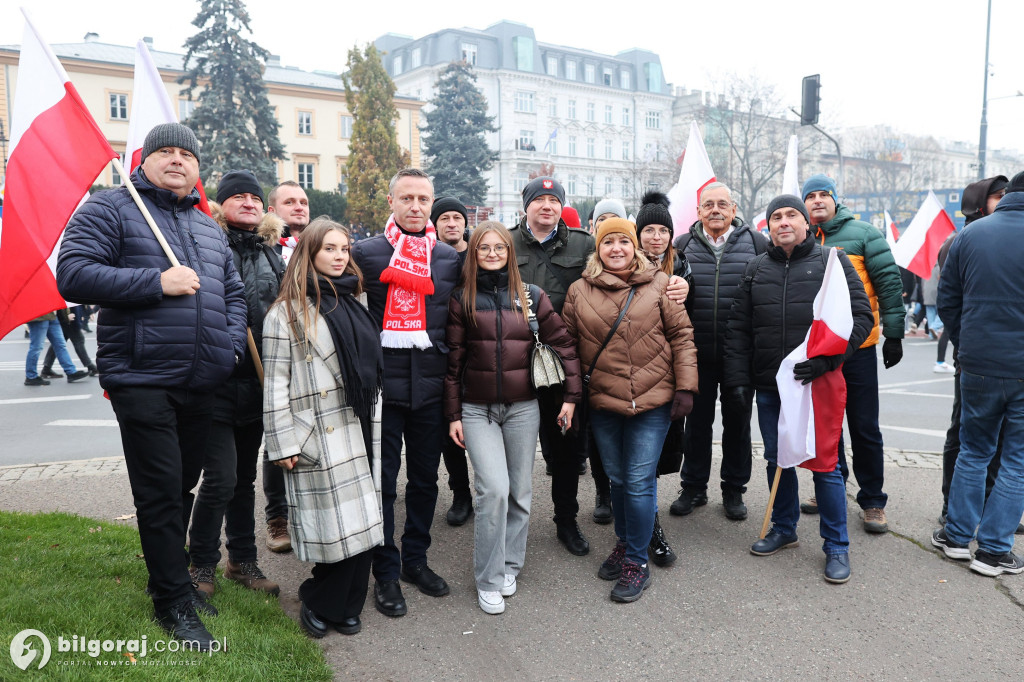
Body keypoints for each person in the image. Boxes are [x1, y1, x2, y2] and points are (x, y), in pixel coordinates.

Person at [56, 122, 247, 649]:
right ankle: (173, 601)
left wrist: (229, 347)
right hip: (142, 377)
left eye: (187, 154)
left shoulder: (208, 227)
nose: (177, 161)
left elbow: (231, 294)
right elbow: (72, 274)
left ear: (197, 169)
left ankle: (168, 572)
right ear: (143, 160)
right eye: (166, 151)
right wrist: (155, 282)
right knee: (161, 491)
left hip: (202, 380)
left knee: (182, 482)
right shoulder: (113, 209)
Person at [723, 195, 873, 583]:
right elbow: (738, 330)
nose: (784, 222)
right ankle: (784, 528)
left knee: (826, 466)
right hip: (772, 386)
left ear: (808, 224)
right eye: (776, 217)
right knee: (778, 459)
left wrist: (829, 360)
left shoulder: (832, 263)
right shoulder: (756, 268)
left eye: (792, 215)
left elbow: (861, 318)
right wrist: (739, 381)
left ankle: (836, 545)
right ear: (767, 226)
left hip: (816, 384)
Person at [444, 221, 581, 614]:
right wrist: (453, 414)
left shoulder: (531, 296)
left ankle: (509, 566)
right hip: (476, 409)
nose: (491, 254)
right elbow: (452, 365)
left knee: (520, 491)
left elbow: (565, 346)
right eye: (483, 248)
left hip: (523, 407)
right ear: (474, 254)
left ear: (509, 253)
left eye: (498, 248)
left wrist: (571, 397)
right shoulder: (461, 300)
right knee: (494, 490)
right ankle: (487, 578)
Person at [562, 217, 697, 602]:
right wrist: (572, 397)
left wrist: (686, 388)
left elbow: (682, 338)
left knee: (639, 481)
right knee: (618, 480)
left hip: (651, 401)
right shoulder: (578, 291)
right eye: (608, 243)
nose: (616, 248)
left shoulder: (660, 285)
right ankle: (624, 544)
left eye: (623, 241)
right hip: (604, 402)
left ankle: (637, 562)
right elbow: (568, 348)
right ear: (598, 249)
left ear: (634, 247)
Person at [263, 218, 385, 636]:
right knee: (335, 529)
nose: (339, 256)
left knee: (364, 525)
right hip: (318, 431)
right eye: (329, 249)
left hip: (361, 423)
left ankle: (345, 603)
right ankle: (320, 598)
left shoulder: (356, 298)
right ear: (309, 253)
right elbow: (275, 383)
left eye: (343, 248)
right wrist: (283, 442)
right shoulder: (285, 313)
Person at [351, 168, 460, 618]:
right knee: (382, 486)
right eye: (407, 198)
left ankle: (416, 560)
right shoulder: (366, 254)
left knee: (424, 483)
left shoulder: (449, 257)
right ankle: (386, 572)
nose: (416, 206)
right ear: (391, 203)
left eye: (423, 198)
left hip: (430, 391)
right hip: (381, 391)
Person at [187, 171, 285, 600]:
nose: (247, 202)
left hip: (259, 384)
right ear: (220, 204)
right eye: (238, 196)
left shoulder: (271, 252)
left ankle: (241, 561)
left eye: (254, 197)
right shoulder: (204, 244)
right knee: (221, 478)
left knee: (244, 478)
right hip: (217, 383)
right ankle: (200, 564)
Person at [802, 174, 905, 533]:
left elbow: (889, 283)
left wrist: (894, 334)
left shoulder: (863, 233)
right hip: (820, 351)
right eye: (810, 196)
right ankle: (831, 487)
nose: (817, 201)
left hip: (858, 349)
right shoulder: (800, 237)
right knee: (826, 425)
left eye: (823, 195)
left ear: (834, 199)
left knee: (863, 426)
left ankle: (873, 500)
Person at [933, 171, 1024, 577]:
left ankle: (955, 538)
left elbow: (947, 299)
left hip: (979, 362)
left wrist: (964, 341)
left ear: (1006, 197)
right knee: (1017, 460)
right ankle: (992, 551)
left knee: (974, 449)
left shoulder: (970, 235)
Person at [508, 177, 597, 556]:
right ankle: (511, 524)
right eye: (539, 199)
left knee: (564, 447)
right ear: (526, 205)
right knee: (514, 448)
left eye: (554, 200)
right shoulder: (505, 241)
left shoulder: (583, 244)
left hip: (562, 361)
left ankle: (567, 520)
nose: (547, 205)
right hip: (511, 361)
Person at [669, 181, 767, 521]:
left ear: (733, 210)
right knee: (696, 423)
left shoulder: (757, 244)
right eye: (708, 204)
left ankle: (734, 489)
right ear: (698, 211)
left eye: (722, 204)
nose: (715, 210)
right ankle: (694, 487)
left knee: (738, 421)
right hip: (695, 352)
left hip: (739, 353)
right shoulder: (680, 246)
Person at [631, 191, 697, 567]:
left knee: (651, 462)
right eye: (649, 229)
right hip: (629, 376)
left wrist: (691, 290)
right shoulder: (622, 265)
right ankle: (641, 531)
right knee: (631, 461)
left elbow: (689, 330)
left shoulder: (683, 269)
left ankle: (646, 526)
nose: (656, 236)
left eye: (663, 230)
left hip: (666, 378)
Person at [263, 181, 312, 553]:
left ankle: (307, 509)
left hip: (313, 353)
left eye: (303, 201)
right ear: (272, 209)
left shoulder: (318, 245)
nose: (298, 207)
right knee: (276, 436)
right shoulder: (265, 250)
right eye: (290, 202)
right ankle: (277, 515)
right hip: (276, 349)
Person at [431, 196, 474, 526]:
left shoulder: (478, 254)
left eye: (456, 217)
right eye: (444, 217)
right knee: (450, 428)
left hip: (477, 348)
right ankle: (461, 494)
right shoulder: (426, 256)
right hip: (441, 348)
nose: (451, 223)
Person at [24, 311, 90, 385]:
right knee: (37, 347)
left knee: (60, 345)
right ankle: (31, 376)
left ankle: (71, 372)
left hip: (51, 315)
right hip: (39, 316)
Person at [40, 307, 97, 379]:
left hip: (69, 314)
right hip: (69, 315)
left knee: (58, 343)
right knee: (77, 340)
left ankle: (46, 368)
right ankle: (90, 367)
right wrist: (65, 316)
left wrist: (88, 311)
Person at [268, 180, 310, 266]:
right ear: (272, 211)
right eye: (289, 202)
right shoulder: (259, 248)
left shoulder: (322, 245)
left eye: (303, 203)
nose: (299, 208)